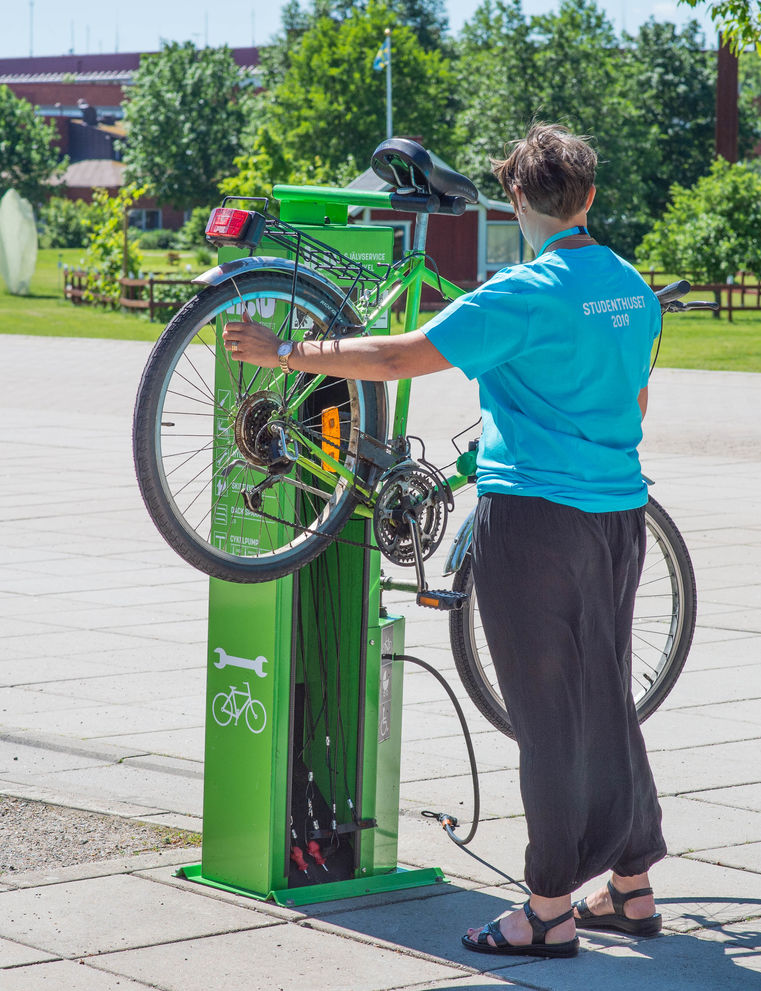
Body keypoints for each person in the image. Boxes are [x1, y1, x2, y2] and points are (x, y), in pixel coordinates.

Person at [223, 123, 667, 959]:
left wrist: (285, 353)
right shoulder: (631, 288)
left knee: (547, 716)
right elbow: (636, 404)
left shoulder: (521, 295)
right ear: (589, 196)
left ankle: (548, 909)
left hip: (536, 520)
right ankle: (632, 886)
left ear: (517, 199)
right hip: (619, 517)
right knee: (606, 695)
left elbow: (399, 358)